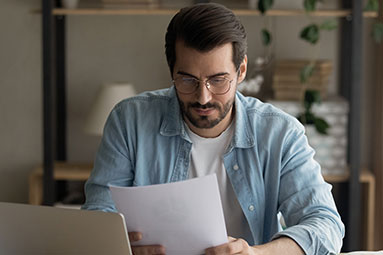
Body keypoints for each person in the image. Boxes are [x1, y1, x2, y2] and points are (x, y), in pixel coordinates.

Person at [82, 3, 344, 255]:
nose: (203, 97)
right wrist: (122, 247)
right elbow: (98, 217)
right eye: (188, 80)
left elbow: (325, 224)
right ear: (172, 71)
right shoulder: (130, 121)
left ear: (241, 70)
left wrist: (256, 253)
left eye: (218, 80)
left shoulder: (281, 133)